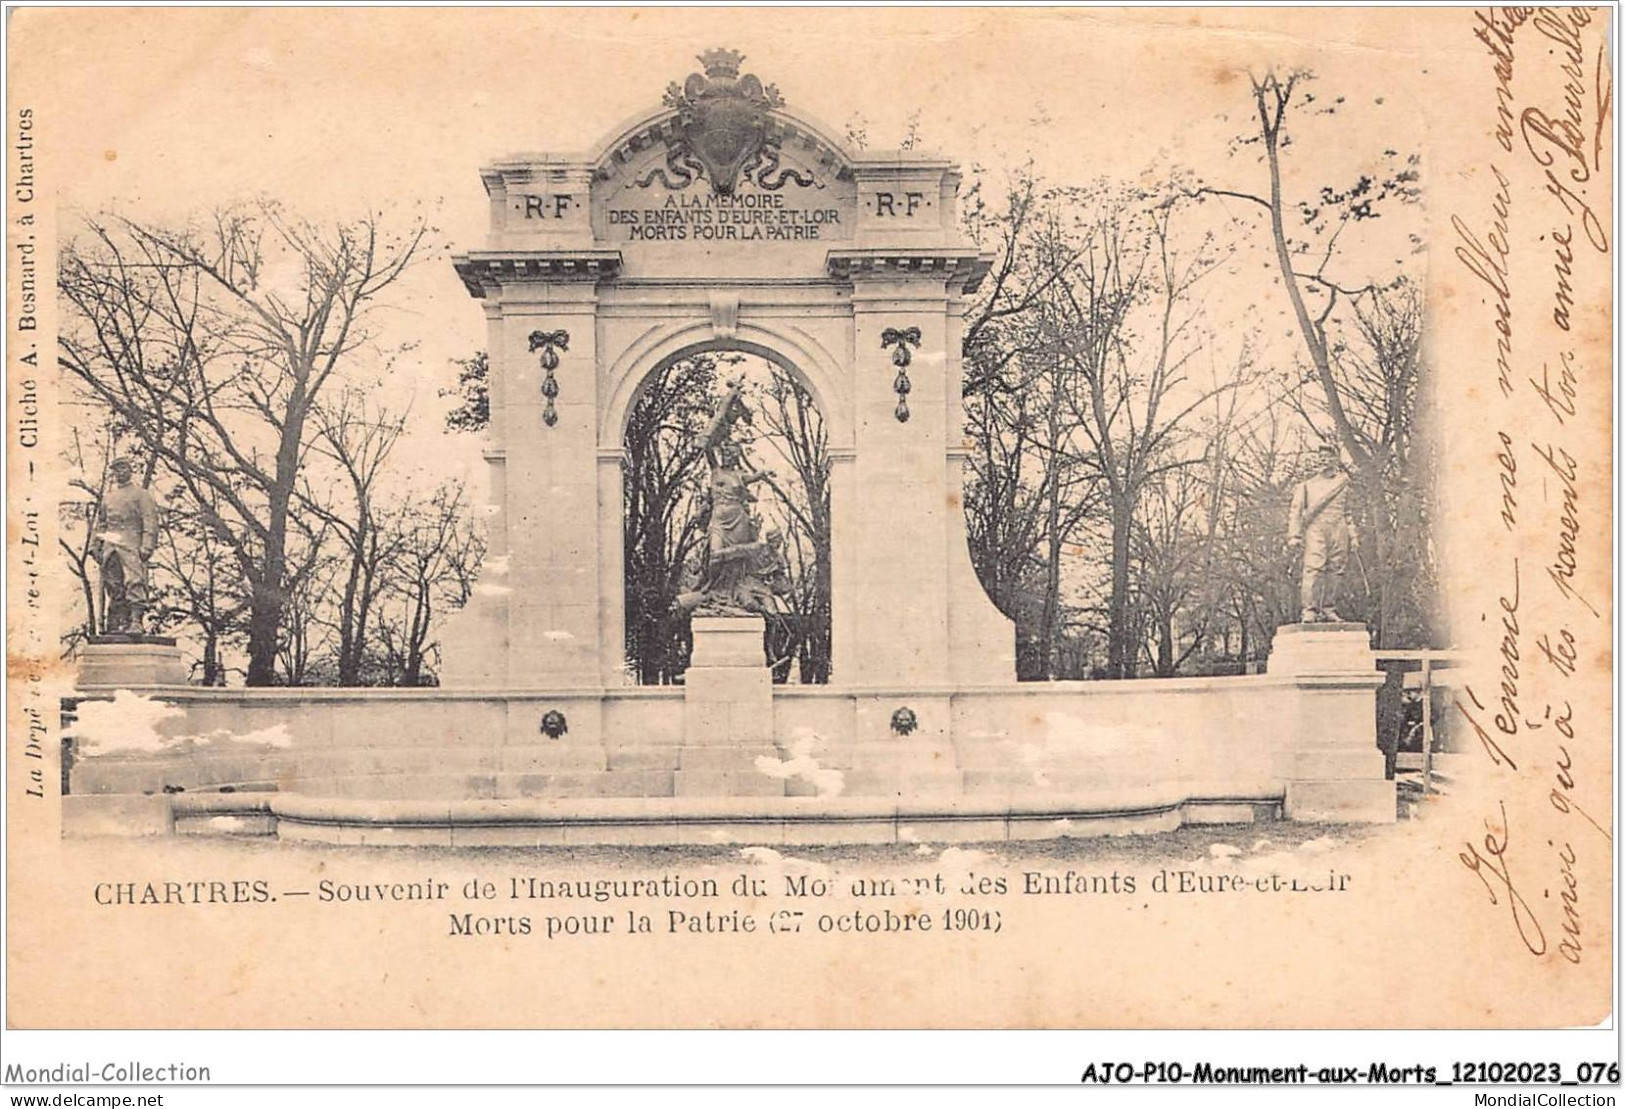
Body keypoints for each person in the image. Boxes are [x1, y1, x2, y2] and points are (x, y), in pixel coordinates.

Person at [1286, 441, 1358, 623]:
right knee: (1314, 568)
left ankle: (1328, 608)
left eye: (1328, 456)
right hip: (1316, 528)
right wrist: (1294, 535)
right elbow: (1296, 511)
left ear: (1335, 459)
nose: (1324, 460)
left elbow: (1348, 513)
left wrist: (1353, 535)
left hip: (1338, 528)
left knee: (1336, 569)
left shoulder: (1344, 484)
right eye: (1321, 456)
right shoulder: (1306, 486)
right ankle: (1309, 609)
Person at [93, 457, 161, 634]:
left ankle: (136, 621)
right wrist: (96, 545)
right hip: (111, 544)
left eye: (123, 468)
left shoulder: (141, 494)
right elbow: (101, 523)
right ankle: (119, 622)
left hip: (132, 542)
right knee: (114, 583)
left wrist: (147, 545)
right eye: (116, 470)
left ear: (130, 470)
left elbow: (150, 521)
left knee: (134, 580)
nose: (120, 472)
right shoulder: (108, 498)